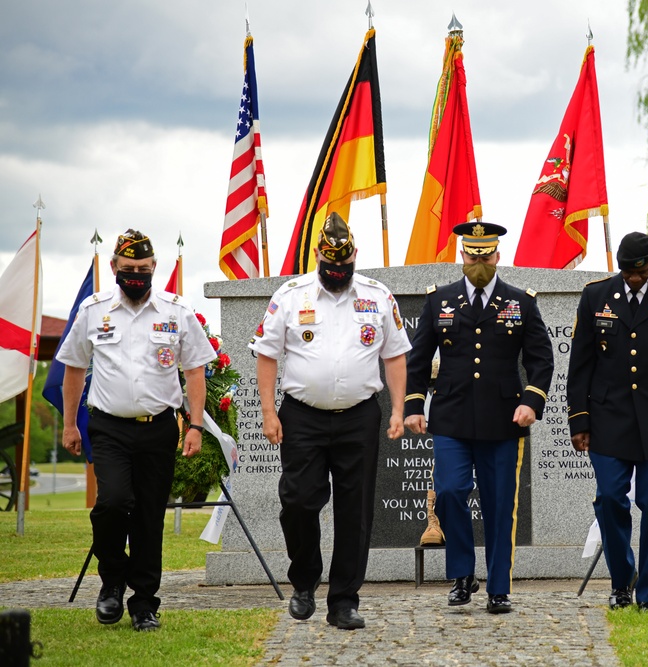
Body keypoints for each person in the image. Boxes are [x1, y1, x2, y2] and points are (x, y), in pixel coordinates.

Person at [251, 213, 410, 630]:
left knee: (355, 511)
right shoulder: (290, 294)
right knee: (298, 501)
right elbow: (266, 354)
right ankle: (305, 579)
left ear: (355, 257)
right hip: (302, 416)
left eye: (344, 267)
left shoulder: (377, 296)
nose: (336, 273)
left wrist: (397, 409)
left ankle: (344, 600)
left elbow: (394, 354)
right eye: (330, 266)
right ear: (318, 255)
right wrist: (268, 412)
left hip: (359, 415)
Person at [59, 229, 217, 631]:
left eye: (143, 269)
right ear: (113, 267)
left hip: (159, 429)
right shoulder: (94, 311)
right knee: (111, 502)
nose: (136, 275)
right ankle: (112, 581)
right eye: (128, 269)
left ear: (154, 269)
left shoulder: (175, 312)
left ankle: (144, 603)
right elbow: (75, 368)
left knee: (149, 518)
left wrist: (195, 424)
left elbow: (195, 369)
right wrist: (68, 424)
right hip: (108, 427)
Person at [404, 222, 554, 614]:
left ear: (497, 257)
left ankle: (499, 588)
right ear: (462, 256)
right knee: (451, 492)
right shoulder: (441, 301)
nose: (479, 263)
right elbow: (418, 359)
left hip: (503, 420)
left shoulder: (520, 302)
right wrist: (414, 406)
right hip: (451, 418)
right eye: (472, 256)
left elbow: (541, 359)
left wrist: (531, 402)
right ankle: (462, 574)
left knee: (499, 504)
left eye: (486, 256)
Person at [566, 231, 648, 613]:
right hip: (610, 419)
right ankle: (621, 581)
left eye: (639, 273)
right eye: (626, 273)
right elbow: (581, 366)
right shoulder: (596, 296)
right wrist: (579, 419)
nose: (632, 279)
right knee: (609, 499)